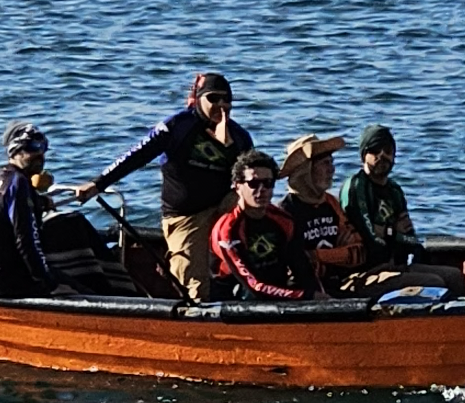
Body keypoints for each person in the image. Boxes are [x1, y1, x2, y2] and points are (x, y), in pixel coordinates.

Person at [74, 71, 250, 302]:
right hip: (187, 216)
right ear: (198, 99)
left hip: (223, 206)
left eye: (227, 100)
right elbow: (136, 156)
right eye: (213, 99)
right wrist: (98, 184)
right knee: (194, 282)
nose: (221, 105)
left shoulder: (239, 136)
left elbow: (252, 172)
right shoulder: (177, 126)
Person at [209, 150, 320, 301]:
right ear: (237, 186)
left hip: (276, 292)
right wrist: (304, 296)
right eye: (253, 184)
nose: (262, 190)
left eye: (268, 183)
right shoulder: (229, 230)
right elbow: (253, 285)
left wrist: (318, 296)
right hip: (237, 298)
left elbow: (302, 268)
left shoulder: (284, 220)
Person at [0, 121, 59, 298]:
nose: (40, 154)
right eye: (33, 147)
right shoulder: (19, 184)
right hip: (6, 284)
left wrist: (38, 201)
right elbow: (26, 241)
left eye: (43, 148)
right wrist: (47, 280)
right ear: (15, 151)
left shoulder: (0, 179)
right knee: (78, 286)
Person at [273, 135, 367, 281]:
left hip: (343, 280)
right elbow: (295, 267)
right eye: (325, 164)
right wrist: (339, 255)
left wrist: (316, 255)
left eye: (331, 163)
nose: (332, 170)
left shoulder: (331, 203)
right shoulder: (285, 211)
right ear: (305, 171)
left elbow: (358, 253)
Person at [344, 125, 420, 271]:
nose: (382, 155)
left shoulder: (395, 191)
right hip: (366, 270)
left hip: (397, 266)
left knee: (453, 276)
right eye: (375, 150)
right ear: (364, 154)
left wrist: (387, 232)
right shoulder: (356, 187)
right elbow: (368, 235)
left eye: (388, 151)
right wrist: (393, 232)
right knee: (436, 281)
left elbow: (411, 239)